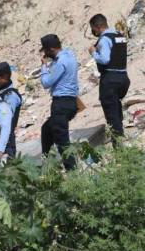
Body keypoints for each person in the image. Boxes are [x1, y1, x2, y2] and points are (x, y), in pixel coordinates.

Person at [39, 34, 79, 170]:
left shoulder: (61, 61)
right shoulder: (69, 55)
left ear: (50, 49)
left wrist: (44, 67)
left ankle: (72, 171)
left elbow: (46, 83)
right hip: (71, 102)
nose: (44, 53)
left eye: (45, 50)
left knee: (62, 141)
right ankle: (47, 164)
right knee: (46, 129)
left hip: (61, 103)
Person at [88, 13, 131, 140]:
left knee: (111, 115)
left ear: (98, 26)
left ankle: (119, 147)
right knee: (116, 107)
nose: (93, 31)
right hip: (123, 77)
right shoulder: (120, 36)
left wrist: (93, 53)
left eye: (93, 28)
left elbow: (105, 59)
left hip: (110, 80)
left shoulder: (104, 39)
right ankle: (121, 135)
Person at [0, 62, 23, 156]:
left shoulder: (11, 96)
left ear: (5, 78)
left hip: (6, 141)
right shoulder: (0, 94)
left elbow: (6, 120)